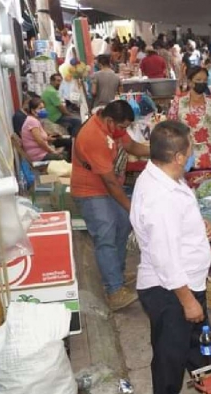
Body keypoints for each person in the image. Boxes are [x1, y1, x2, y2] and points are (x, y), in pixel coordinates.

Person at [130, 120, 211, 394]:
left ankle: (205, 375)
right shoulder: (160, 197)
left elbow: (173, 229)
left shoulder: (164, 176)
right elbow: (165, 258)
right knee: (169, 350)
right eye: (189, 148)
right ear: (179, 156)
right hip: (170, 289)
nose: (192, 153)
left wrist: (196, 227)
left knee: (194, 338)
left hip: (186, 281)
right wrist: (187, 300)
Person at [71, 100, 150, 311]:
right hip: (90, 191)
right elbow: (111, 183)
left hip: (106, 187)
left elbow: (131, 145)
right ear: (109, 120)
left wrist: (156, 151)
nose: (124, 131)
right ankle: (114, 290)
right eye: (123, 127)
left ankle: (117, 272)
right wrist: (131, 207)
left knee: (124, 224)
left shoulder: (111, 127)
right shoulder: (93, 137)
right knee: (105, 235)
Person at [169, 66, 211, 170]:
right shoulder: (178, 102)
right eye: (198, 80)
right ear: (190, 82)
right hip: (187, 158)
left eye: (205, 80)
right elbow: (170, 129)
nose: (202, 83)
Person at [20, 97, 68, 162]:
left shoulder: (34, 120)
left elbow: (38, 138)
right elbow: (40, 142)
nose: (43, 110)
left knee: (66, 143)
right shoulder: (32, 121)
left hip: (40, 152)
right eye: (40, 108)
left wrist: (48, 138)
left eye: (43, 108)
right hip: (38, 155)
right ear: (33, 110)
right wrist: (52, 151)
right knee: (64, 155)